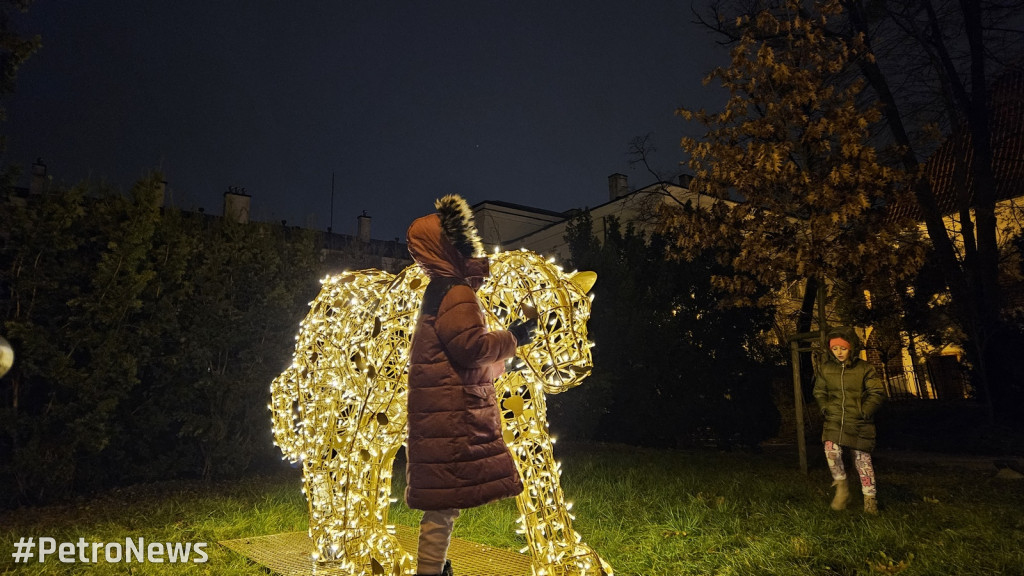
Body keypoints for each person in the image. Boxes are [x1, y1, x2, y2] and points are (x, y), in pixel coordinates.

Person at [404, 194, 537, 576]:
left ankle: (433, 568)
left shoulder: (441, 290)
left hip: (443, 411)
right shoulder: (455, 291)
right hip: (451, 418)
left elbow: (451, 356)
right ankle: (429, 572)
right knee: (443, 505)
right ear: (449, 247)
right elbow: (471, 347)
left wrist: (497, 362)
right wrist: (514, 337)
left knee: (443, 503)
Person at [813, 326, 886, 514]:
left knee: (862, 460)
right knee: (831, 450)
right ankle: (841, 488)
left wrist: (865, 411)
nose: (839, 352)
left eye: (843, 348)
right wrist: (825, 407)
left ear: (851, 348)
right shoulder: (826, 369)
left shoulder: (865, 368)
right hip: (834, 418)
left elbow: (876, 392)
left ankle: (870, 498)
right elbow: (820, 391)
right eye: (835, 348)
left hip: (859, 421)